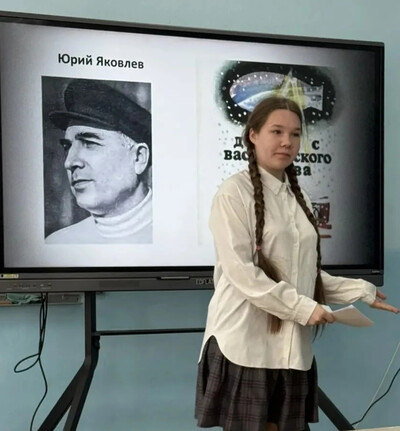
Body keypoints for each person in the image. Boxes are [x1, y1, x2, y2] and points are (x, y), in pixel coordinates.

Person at [195, 96, 398, 431]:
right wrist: (304, 308)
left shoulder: (297, 196)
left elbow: (304, 274)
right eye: (276, 131)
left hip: (292, 349)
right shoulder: (233, 193)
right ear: (253, 135)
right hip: (245, 344)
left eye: (295, 134)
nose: (287, 142)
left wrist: (361, 290)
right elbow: (242, 273)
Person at [45, 79, 152, 244]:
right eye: (68, 147)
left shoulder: (180, 232)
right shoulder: (59, 242)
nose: (69, 162)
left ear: (138, 158)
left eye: (90, 143)